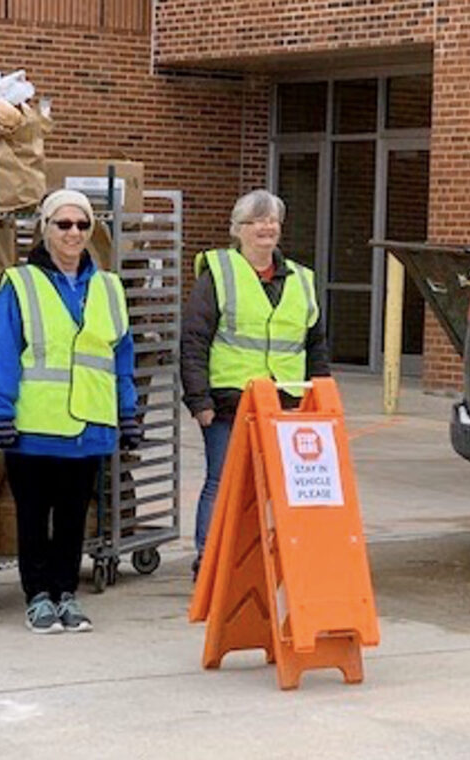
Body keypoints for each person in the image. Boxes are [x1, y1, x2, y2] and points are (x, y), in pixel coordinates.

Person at [0, 188, 141, 634]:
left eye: (82, 225)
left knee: (73, 517)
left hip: (88, 426)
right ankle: (37, 598)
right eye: (63, 224)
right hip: (33, 425)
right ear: (45, 229)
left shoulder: (108, 287)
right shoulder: (21, 283)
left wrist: (127, 412)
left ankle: (66, 594)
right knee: (33, 517)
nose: (73, 233)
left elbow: (121, 357)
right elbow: (3, 351)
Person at [181, 189, 329, 578]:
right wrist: (199, 401)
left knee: (281, 486)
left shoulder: (302, 278)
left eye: (272, 220)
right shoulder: (219, 273)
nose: (266, 227)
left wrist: (322, 395)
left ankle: (272, 561)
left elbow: (315, 344)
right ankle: (208, 561)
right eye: (256, 220)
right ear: (238, 230)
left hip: (286, 402)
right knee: (223, 482)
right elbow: (194, 338)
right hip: (231, 400)